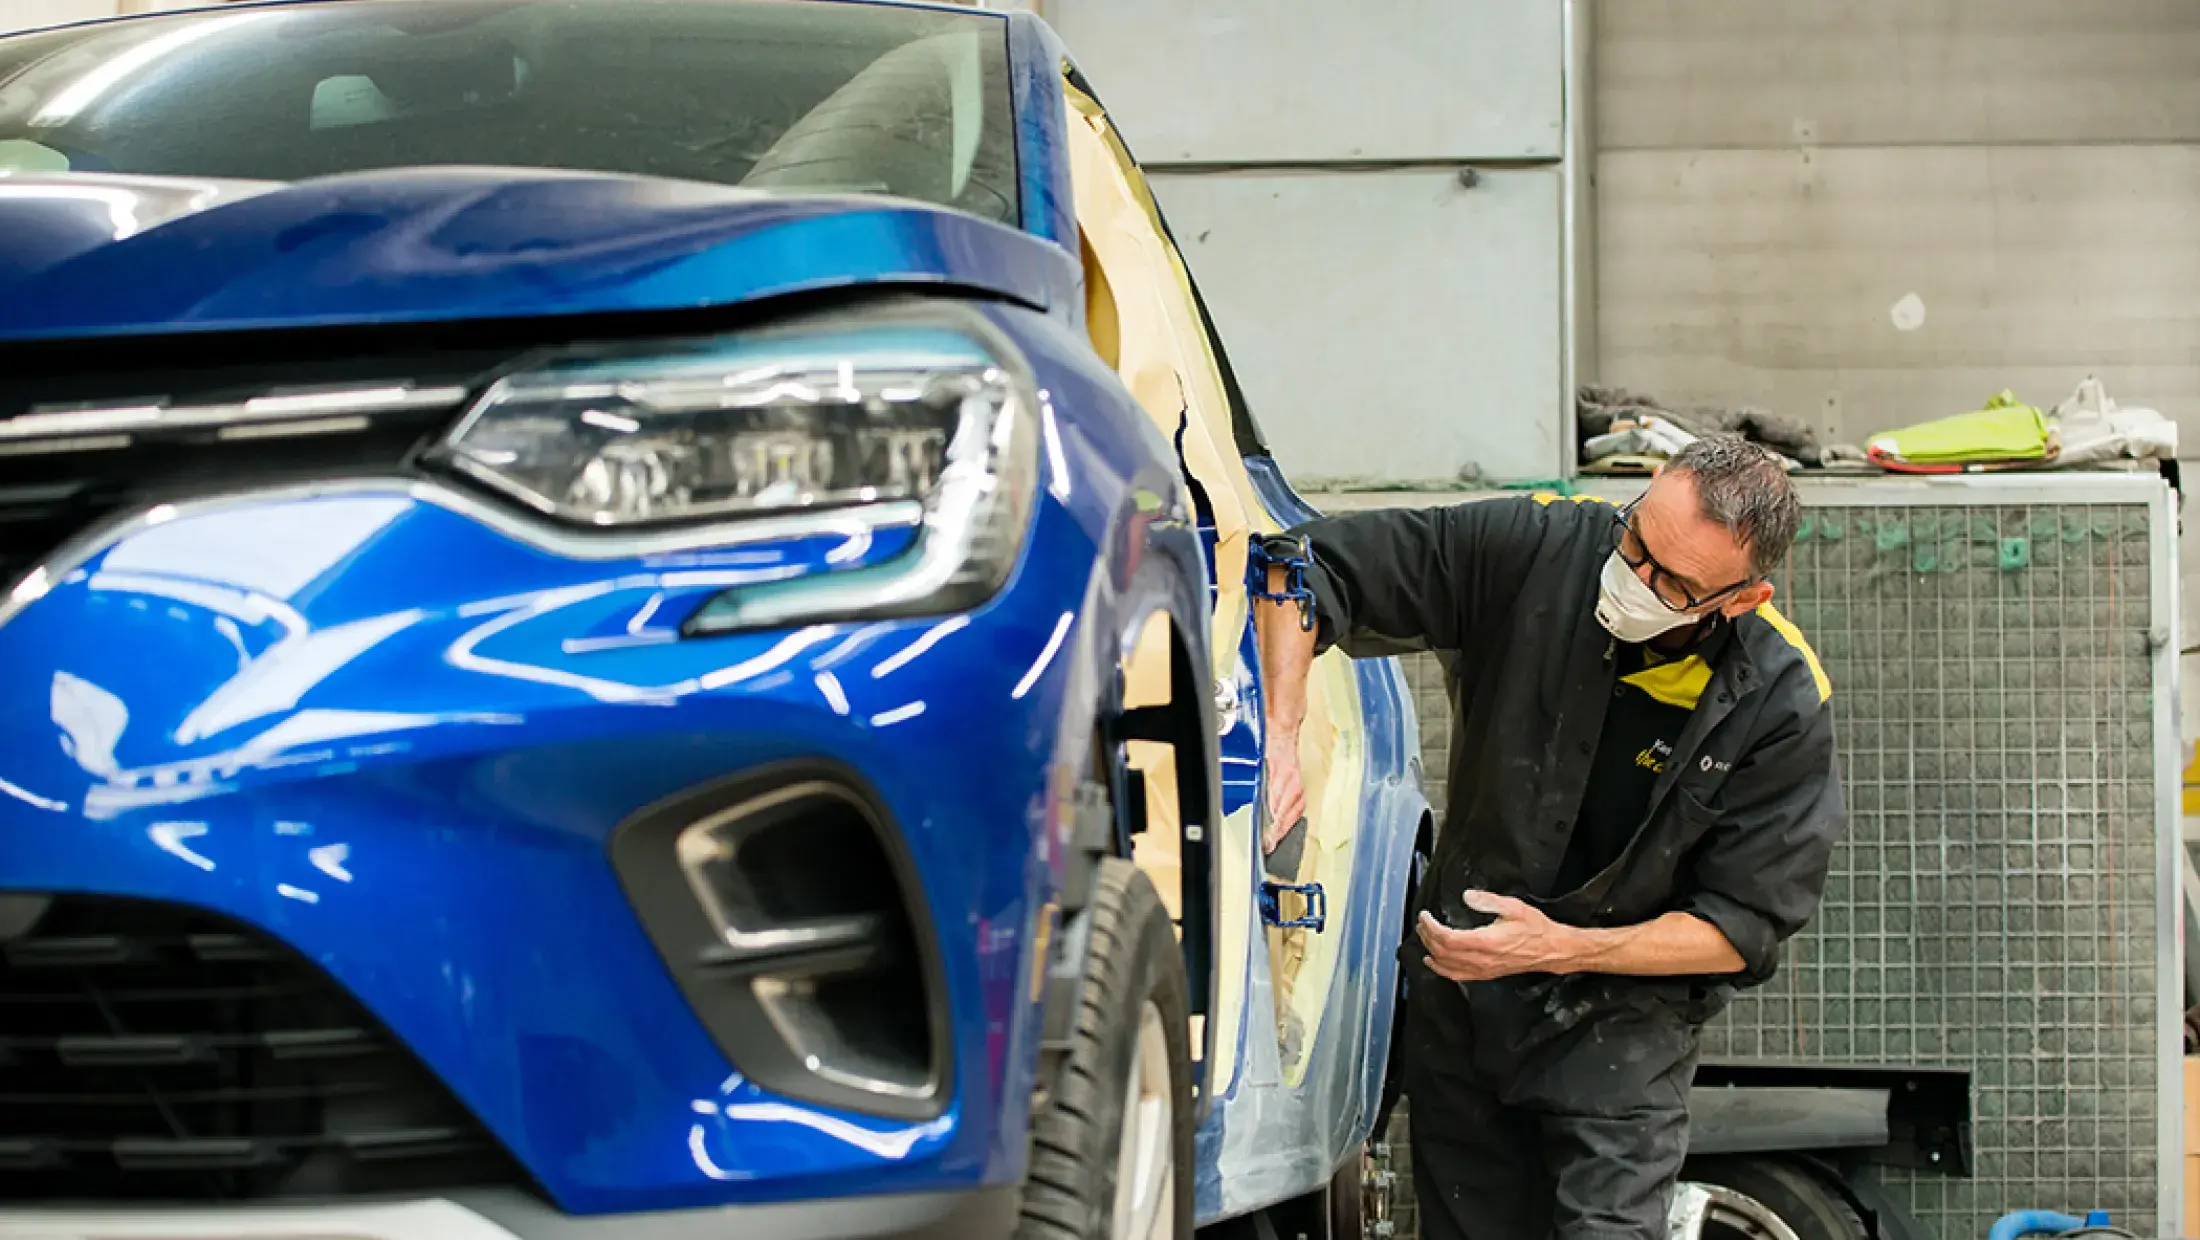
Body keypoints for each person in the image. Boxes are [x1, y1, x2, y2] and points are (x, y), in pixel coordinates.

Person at [1251, 435, 1845, 1240]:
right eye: (1636, 541)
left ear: (1739, 600)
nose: (1633, 581)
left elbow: (1738, 930)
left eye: (1671, 583)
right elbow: (1299, 565)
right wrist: (1279, 732)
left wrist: (1556, 947)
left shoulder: (1780, 701)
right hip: (1462, 1006)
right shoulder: (1541, 545)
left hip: (1620, 1033)